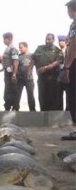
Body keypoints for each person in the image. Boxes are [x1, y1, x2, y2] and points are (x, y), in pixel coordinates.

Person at [28, 33, 63, 111]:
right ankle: (43, 113)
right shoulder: (39, 48)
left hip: (52, 77)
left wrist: (46, 68)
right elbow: (33, 59)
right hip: (41, 77)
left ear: (53, 40)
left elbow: (58, 62)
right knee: (42, 96)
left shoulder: (57, 50)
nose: (47, 41)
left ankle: (52, 115)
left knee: (52, 96)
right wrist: (29, 70)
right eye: (46, 39)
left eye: (49, 39)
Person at [61, 0, 76, 140]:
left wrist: (67, 67)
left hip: (74, 64)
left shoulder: (75, 24)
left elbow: (74, 46)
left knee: (73, 96)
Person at [2, 32, 19, 111]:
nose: (3, 41)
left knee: (12, 90)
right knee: (8, 90)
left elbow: (15, 61)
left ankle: (14, 107)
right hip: (7, 71)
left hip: (11, 73)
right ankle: (8, 106)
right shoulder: (7, 48)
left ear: (9, 39)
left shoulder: (13, 49)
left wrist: (14, 74)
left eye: (4, 39)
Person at [16, 42, 35, 111]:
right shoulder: (18, 56)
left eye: (21, 47)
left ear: (26, 47)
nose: (20, 49)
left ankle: (32, 109)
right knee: (17, 94)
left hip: (29, 78)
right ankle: (15, 108)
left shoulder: (31, 55)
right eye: (19, 48)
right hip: (20, 78)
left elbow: (35, 64)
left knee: (30, 94)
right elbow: (16, 66)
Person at [58, 35, 69, 111]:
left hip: (66, 72)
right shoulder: (58, 51)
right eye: (59, 41)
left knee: (68, 92)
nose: (60, 42)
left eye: (62, 41)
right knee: (59, 92)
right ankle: (59, 109)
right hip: (58, 73)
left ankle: (68, 108)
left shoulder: (67, 50)